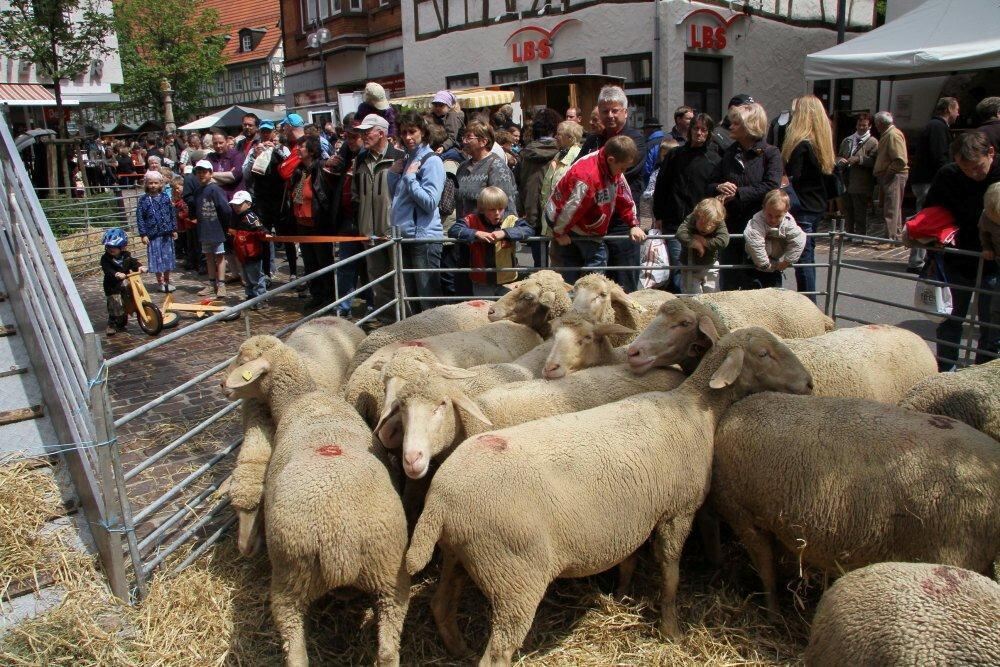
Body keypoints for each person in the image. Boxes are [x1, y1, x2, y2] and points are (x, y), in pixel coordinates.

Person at [925, 132, 1000, 370]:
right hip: (957, 258)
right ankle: (947, 369)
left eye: (977, 167)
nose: (972, 174)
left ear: (991, 153)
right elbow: (931, 211)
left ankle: (984, 372)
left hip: (995, 262)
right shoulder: (949, 175)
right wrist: (931, 245)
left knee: (992, 322)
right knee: (950, 317)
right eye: (965, 169)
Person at [545, 134, 646, 283]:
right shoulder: (587, 177)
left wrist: (633, 224)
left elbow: (624, 196)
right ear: (611, 160)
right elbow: (570, 208)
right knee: (583, 266)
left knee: (591, 264)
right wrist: (559, 232)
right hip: (567, 224)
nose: (623, 172)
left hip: (584, 226)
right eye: (622, 168)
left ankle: (587, 290)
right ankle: (584, 291)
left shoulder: (613, 170)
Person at [577, 86, 648, 292]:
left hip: (621, 223)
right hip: (594, 222)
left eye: (615, 110)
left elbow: (620, 174)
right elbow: (577, 170)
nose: (610, 115)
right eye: (605, 111)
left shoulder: (634, 140)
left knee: (624, 285)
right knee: (595, 288)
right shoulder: (593, 139)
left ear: (625, 112)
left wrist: (591, 178)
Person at [709, 102, 783, 290]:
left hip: (761, 227)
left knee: (760, 283)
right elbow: (710, 183)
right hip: (732, 227)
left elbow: (772, 185)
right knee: (729, 283)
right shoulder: (729, 153)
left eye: (736, 123)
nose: (731, 127)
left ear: (750, 126)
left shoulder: (770, 153)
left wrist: (739, 193)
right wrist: (720, 186)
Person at [653, 113, 722, 292]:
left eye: (703, 130)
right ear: (690, 130)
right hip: (674, 221)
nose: (699, 133)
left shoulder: (715, 160)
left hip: (702, 224)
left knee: (704, 271)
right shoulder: (675, 155)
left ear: (709, 133)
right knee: (679, 268)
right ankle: (682, 304)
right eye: (696, 128)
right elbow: (661, 185)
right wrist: (658, 215)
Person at [389, 111, 445, 314]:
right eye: (404, 132)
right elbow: (398, 198)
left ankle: (435, 334)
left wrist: (410, 178)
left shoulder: (431, 161)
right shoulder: (408, 159)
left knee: (427, 300)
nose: (407, 137)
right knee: (412, 298)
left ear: (423, 131)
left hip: (423, 238)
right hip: (405, 236)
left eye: (412, 131)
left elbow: (430, 202)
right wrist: (392, 175)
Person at [781, 94, 835, 302]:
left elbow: (793, 177)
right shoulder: (821, 143)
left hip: (801, 205)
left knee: (803, 257)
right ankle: (810, 301)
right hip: (816, 205)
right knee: (808, 255)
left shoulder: (801, 144)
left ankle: (808, 305)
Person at [353, 112, 406, 323]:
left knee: (399, 276)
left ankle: (404, 319)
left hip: (393, 231)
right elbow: (356, 194)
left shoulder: (400, 156)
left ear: (381, 133)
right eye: (362, 132)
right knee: (377, 278)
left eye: (367, 132)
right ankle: (386, 320)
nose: (363, 136)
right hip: (369, 231)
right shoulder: (361, 159)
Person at [448, 186, 533, 296]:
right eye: (492, 209)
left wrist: (505, 233)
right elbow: (454, 230)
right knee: (484, 306)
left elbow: (528, 229)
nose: (497, 213)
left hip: (507, 280)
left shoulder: (511, 220)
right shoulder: (472, 220)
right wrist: (476, 233)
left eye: (501, 208)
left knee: (506, 306)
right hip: (481, 281)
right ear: (482, 209)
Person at [909, 97, 960, 271]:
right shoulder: (937, 127)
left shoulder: (934, 126)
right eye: (956, 109)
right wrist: (949, 178)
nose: (958, 114)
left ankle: (921, 258)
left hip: (925, 180)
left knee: (925, 217)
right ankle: (917, 261)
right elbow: (940, 157)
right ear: (948, 109)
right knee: (925, 220)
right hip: (928, 181)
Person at [289, 135, 337, 309]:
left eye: (301, 146)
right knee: (309, 263)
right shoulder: (300, 171)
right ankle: (316, 294)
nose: (298, 149)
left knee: (323, 262)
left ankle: (329, 296)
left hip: (318, 223)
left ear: (311, 150)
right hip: (301, 224)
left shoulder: (321, 168)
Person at [517, 109, 562, 266]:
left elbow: (519, 182)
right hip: (556, 207)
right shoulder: (562, 152)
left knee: (539, 259)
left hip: (531, 206)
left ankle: (540, 273)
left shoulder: (525, 154)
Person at [744, 188, 805, 290]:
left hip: (776, 262)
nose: (773, 219)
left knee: (775, 291)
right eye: (769, 215)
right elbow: (754, 242)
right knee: (754, 290)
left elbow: (798, 240)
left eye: (778, 216)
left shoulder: (788, 222)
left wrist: (787, 261)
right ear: (764, 208)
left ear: (786, 211)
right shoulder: (757, 220)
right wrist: (765, 265)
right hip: (754, 262)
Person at [457, 121, 518, 221]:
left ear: (483, 142)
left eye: (469, 137)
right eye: (464, 137)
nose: (464, 141)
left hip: (487, 230)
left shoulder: (497, 167)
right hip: (464, 229)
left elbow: (507, 207)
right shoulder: (463, 167)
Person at [192, 159, 233, 297]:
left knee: (220, 257)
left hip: (217, 228)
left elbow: (225, 209)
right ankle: (211, 283)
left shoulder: (215, 189)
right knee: (208, 257)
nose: (201, 175)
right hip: (204, 229)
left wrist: (226, 226)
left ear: (210, 173)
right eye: (198, 172)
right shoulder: (198, 191)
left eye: (204, 172)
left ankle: (221, 284)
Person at [837, 112, 879, 239]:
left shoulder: (873, 142)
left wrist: (859, 159)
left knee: (860, 209)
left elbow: (874, 161)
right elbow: (839, 155)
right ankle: (848, 232)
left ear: (869, 126)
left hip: (861, 181)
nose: (861, 128)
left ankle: (860, 234)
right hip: (846, 179)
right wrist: (840, 160)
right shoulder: (848, 140)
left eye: (864, 125)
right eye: (859, 125)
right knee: (847, 208)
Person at [675, 196, 729, 294]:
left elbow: (723, 240)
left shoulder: (718, 220)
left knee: (712, 293)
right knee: (692, 295)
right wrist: (694, 243)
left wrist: (705, 242)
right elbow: (680, 233)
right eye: (702, 223)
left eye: (710, 225)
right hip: (689, 266)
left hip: (710, 265)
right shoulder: (692, 217)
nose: (705, 228)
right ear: (697, 216)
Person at [135, 170, 177, 293]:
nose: (153, 185)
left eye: (156, 183)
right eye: (150, 183)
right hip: (153, 235)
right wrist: (143, 234)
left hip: (166, 233)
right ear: (146, 184)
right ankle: (160, 282)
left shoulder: (165, 197)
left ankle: (167, 281)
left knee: (167, 258)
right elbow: (140, 217)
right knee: (157, 259)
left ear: (160, 184)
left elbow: (171, 213)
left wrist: (174, 228)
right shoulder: (144, 200)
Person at [540, 120, 584, 232]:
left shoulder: (578, 157)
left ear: (570, 138)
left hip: (565, 222)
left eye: (559, 134)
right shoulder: (559, 155)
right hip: (551, 216)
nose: (555, 137)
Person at [872, 111, 909, 240]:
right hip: (891, 176)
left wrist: (888, 174)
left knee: (891, 208)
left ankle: (890, 238)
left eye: (876, 123)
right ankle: (895, 236)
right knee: (893, 207)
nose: (876, 126)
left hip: (894, 176)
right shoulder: (887, 134)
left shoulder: (893, 135)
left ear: (880, 123)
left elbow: (900, 160)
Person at [99, 228, 143, 336]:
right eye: (108, 247)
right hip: (112, 286)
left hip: (126, 284)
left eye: (114, 247)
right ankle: (111, 324)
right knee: (115, 305)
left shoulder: (126, 256)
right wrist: (116, 274)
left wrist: (140, 267)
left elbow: (133, 262)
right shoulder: (105, 259)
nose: (111, 249)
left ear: (122, 247)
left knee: (130, 299)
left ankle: (134, 312)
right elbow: (107, 269)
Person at [228, 191, 268, 308]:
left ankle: (260, 299)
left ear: (249, 204)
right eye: (234, 205)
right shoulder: (236, 217)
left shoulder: (251, 217)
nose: (236, 207)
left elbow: (261, 230)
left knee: (256, 278)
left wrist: (265, 234)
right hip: (242, 253)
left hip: (252, 253)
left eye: (239, 205)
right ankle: (250, 297)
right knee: (247, 278)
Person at [429, 90, 465, 158]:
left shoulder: (451, 116)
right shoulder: (433, 116)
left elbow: (452, 137)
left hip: (454, 147)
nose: (438, 108)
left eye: (441, 105)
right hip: (438, 146)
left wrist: (443, 147)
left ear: (449, 106)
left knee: (440, 157)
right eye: (436, 105)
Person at [640, 116, 665, 185]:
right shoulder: (670, 139)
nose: (643, 132)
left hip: (653, 184)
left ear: (650, 129)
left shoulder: (649, 145)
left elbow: (647, 170)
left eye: (644, 129)